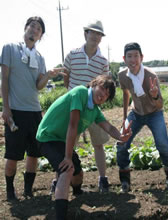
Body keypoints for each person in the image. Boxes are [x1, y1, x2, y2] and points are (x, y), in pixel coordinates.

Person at [36, 75, 132, 220]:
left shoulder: (94, 111)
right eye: (102, 89)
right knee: (66, 170)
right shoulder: (80, 92)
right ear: (94, 84)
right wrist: (68, 157)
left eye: (106, 95)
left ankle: (77, 193)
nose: (103, 95)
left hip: (60, 141)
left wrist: (121, 136)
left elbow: (108, 127)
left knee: (78, 175)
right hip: (47, 136)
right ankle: (61, 215)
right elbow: (73, 125)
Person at [0, 16, 65, 200]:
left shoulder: (39, 57)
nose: (34, 30)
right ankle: (10, 190)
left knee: (34, 154)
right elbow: (4, 79)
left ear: (40, 36)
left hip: (35, 112)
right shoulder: (10, 49)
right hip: (16, 110)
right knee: (12, 155)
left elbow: (39, 85)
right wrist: (6, 107)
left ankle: (28, 190)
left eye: (38, 29)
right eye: (32, 26)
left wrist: (48, 75)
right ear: (26, 28)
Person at [116, 42, 168, 192]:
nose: (133, 60)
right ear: (124, 59)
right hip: (136, 113)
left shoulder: (151, 76)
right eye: (129, 56)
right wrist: (125, 118)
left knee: (162, 143)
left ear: (141, 57)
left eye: (136, 56)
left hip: (154, 113)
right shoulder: (122, 75)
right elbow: (125, 93)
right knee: (121, 141)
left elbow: (160, 104)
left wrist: (155, 96)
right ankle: (125, 180)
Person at [62, 19, 111, 192]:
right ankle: (59, 180)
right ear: (86, 34)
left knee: (98, 143)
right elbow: (65, 76)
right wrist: (71, 92)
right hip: (74, 106)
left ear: (101, 38)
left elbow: (106, 84)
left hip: (92, 109)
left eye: (99, 34)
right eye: (93, 32)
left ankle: (103, 179)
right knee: (68, 145)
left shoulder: (103, 61)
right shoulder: (72, 54)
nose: (96, 36)